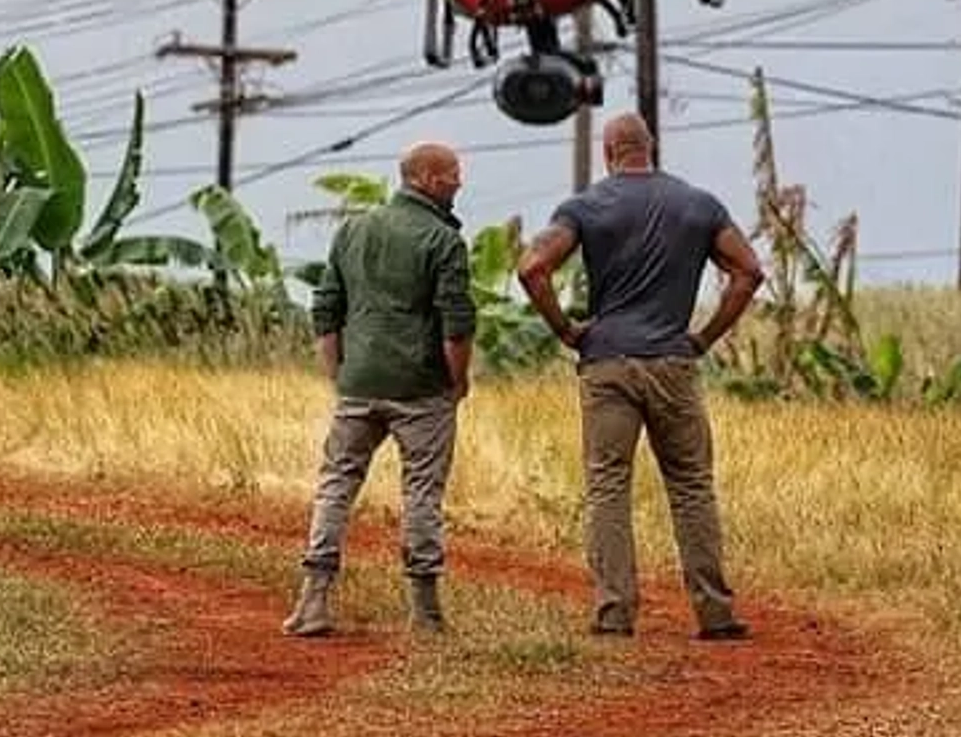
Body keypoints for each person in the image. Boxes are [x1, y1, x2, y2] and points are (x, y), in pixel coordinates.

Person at [516, 112, 765, 641]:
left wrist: (566, 329)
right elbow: (748, 271)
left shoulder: (585, 207)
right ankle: (715, 613)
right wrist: (703, 337)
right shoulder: (699, 205)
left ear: (608, 153)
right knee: (692, 486)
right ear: (650, 148)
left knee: (608, 485)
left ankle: (614, 612)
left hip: (607, 362)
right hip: (673, 361)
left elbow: (532, 267)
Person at [283, 140, 476, 638]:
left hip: (359, 382)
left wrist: (340, 374)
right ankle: (426, 613)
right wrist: (456, 383)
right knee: (421, 494)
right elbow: (457, 325)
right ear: (428, 179)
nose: (460, 182)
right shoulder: (444, 241)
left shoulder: (354, 229)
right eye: (453, 174)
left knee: (336, 485)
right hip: (421, 387)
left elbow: (326, 308)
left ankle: (313, 601)